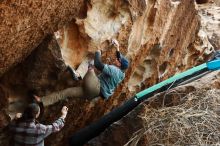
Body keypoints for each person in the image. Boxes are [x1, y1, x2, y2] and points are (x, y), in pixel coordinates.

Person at [34, 39, 129, 106]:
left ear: (119, 64)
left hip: (95, 87)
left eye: (117, 60)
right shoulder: (122, 74)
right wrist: (117, 48)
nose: (116, 59)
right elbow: (121, 62)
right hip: (92, 94)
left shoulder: (115, 70)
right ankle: (42, 100)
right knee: (66, 93)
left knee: (91, 64)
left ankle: (78, 74)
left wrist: (98, 52)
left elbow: (98, 64)